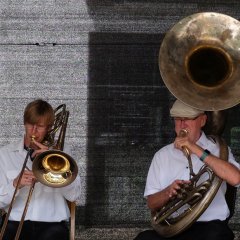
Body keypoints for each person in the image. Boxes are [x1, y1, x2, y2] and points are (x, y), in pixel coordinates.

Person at [134, 99, 240, 240]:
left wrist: (196, 149)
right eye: (178, 119)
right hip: (172, 227)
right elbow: (151, 204)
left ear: (202, 121)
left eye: (188, 119)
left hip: (209, 227)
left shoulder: (219, 149)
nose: (182, 125)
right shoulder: (161, 155)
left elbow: (236, 179)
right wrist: (168, 193)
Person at [0, 99, 81, 240]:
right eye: (31, 124)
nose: (34, 130)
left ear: (49, 128)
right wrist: (14, 184)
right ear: (24, 123)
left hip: (52, 224)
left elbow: (74, 195)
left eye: (40, 126)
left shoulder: (62, 154)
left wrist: (53, 167)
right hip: (14, 222)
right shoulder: (4, 154)